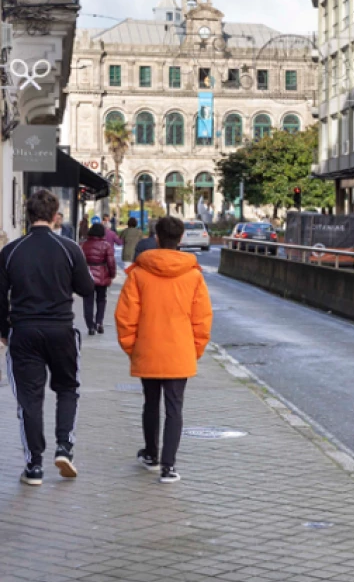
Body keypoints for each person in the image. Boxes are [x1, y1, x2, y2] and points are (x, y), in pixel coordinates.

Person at [0, 190, 95, 485]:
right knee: (67, 388)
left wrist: (5, 331)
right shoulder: (69, 249)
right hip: (61, 330)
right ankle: (64, 446)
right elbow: (87, 289)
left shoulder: (11, 251)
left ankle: (34, 466)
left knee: (30, 398)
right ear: (56, 216)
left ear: (28, 215)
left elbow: (0, 297)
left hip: (25, 330)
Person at [115, 216, 213, 483]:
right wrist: (195, 350)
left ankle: (150, 454)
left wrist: (132, 348)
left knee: (150, 403)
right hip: (180, 351)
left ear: (156, 238)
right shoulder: (193, 276)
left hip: (148, 347)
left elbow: (125, 317)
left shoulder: (138, 273)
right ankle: (169, 466)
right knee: (174, 408)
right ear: (180, 239)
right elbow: (202, 320)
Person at [81, 223, 117, 336]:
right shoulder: (106, 245)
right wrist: (112, 275)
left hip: (87, 276)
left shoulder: (83, 245)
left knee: (88, 301)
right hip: (102, 274)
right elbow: (111, 263)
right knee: (101, 299)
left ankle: (90, 326)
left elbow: (79, 262)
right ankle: (99, 322)